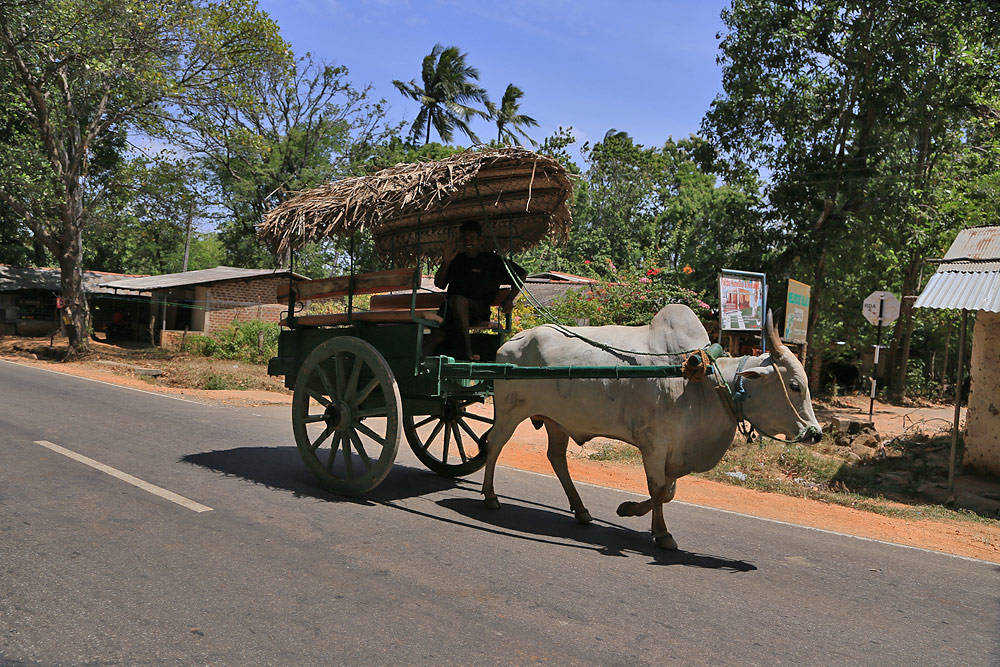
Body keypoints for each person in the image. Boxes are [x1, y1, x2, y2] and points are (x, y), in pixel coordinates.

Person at [422, 220, 527, 360]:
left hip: (477, 311)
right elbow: (439, 283)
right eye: (464, 238)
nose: (467, 241)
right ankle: (415, 371)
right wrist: (446, 261)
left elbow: (522, 274)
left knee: (458, 301)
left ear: (480, 239)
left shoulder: (492, 261)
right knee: (433, 338)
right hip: (450, 313)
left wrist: (509, 299)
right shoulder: (456, 260)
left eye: (471, 238)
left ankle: (467, 351)